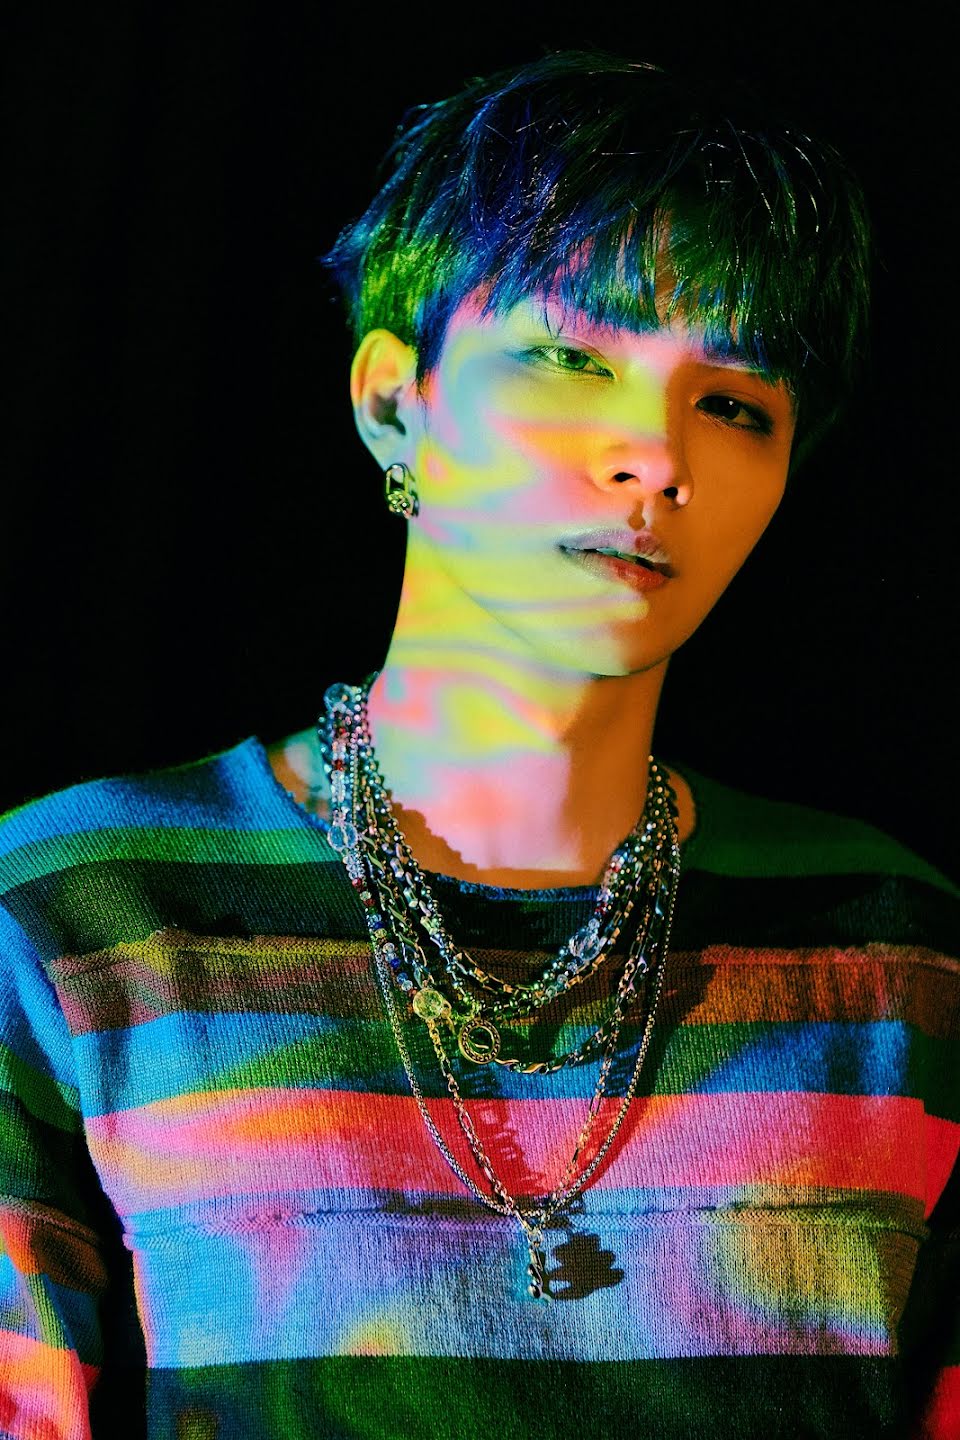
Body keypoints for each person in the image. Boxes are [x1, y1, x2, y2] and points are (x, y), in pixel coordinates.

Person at [1, 47, 957, 1440]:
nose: (655, 458)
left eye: (733, 405)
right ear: (396, 402)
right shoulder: (72, 917)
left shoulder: (899, 958)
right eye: (571, 360)